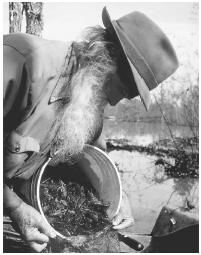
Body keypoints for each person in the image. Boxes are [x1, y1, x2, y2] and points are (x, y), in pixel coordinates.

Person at [3, 7, 178, 252]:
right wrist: (13, 207)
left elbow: (97, 161)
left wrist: (120, 198)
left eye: (133, 95)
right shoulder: (24, 62)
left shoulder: (88, 100)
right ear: (107, 53)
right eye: (127, 87)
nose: (121, 100)